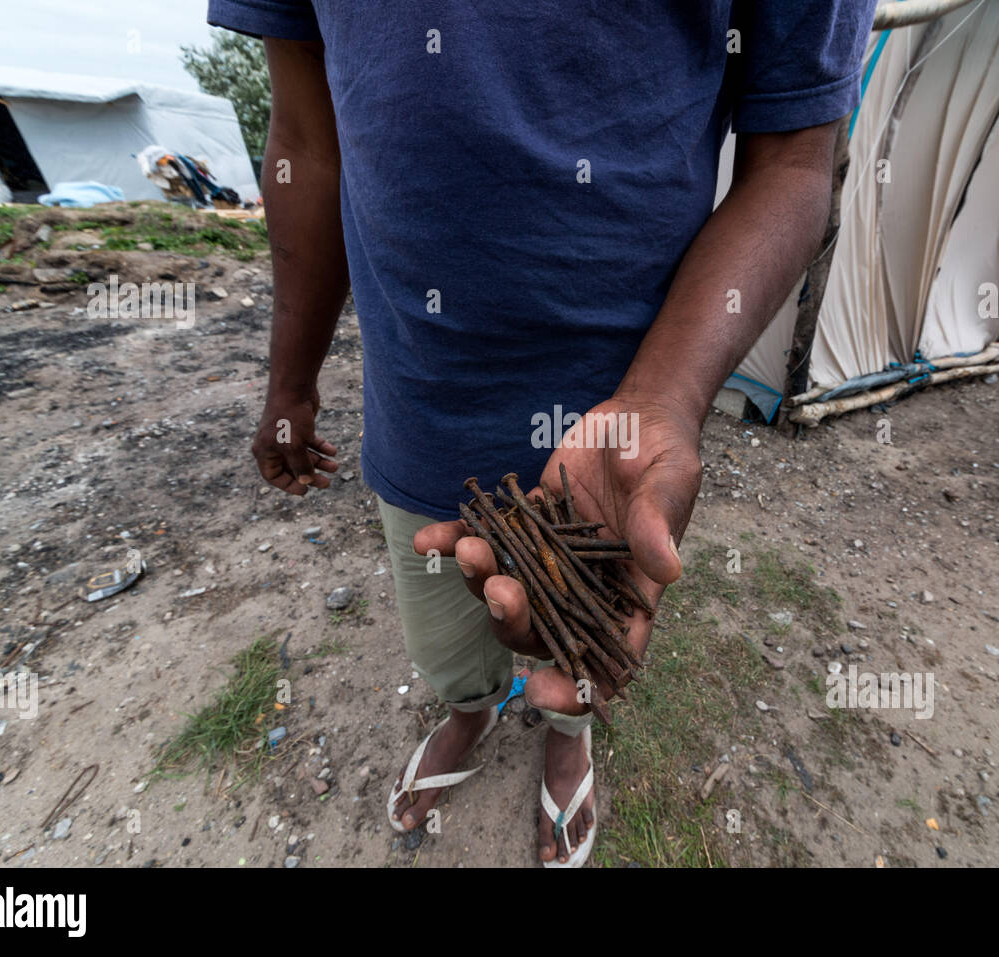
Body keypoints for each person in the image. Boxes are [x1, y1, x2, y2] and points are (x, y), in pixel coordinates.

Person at [208, 0, 877, 866]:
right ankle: (469, 708)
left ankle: (566, 737)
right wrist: (289, 381)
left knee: (579, 657)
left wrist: (665, 399)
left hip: (614, 427)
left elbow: (793, 160)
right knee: (445, 632)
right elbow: (307, 137)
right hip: (419, 403)